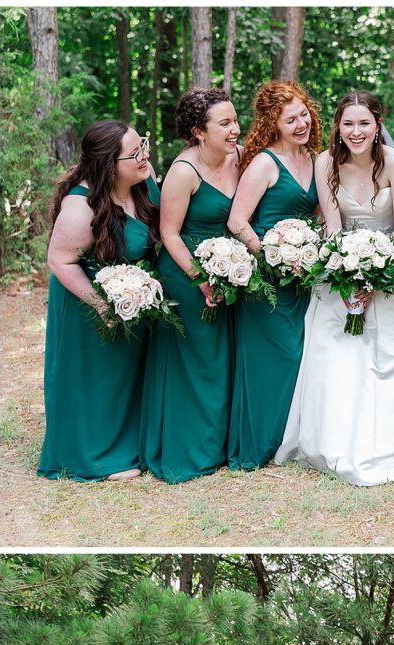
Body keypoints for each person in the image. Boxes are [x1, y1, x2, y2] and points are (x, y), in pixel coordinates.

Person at [277, 91, 394, 485]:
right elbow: (332, 226)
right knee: (337, 355)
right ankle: (331, 437)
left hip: (388, 271)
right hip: (340, 269)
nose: (356, 132)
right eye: (348, 124)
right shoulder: (325, 162)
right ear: (338, 126)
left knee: (387, 355)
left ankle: (387, 439)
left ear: (378, 124)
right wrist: (346, 276)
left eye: (364, 123)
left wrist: (378, 278)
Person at [38, 120, 159, 482]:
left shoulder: (142, 178)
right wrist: (103, 305)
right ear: (109, 164)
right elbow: (59, 260)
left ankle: (131, 441)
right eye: (135, 152)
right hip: (88, 303)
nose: (145, 156)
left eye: (144, 145)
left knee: (125, 375)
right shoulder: (81, 208)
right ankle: (95, 455)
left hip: (132, 298)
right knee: (96, 377)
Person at [140, 87, 241, 481]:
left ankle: (218, 445)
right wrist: (201, 278)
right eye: (225, 123)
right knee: (196, 361)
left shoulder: (238, 156)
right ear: (199, 132)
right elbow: (169, 234)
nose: (235, 128)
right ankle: (188, 450)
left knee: (221, 360)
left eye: (234, 120)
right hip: (187, 272)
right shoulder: (184, 171)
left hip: (230, 270)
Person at [226, 80, 322, 469]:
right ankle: (261, 442)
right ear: (273, 124)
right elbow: (237, 221)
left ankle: (290, 440)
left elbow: (316, 215)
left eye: (303, 114)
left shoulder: (316, 159)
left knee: (301, 357)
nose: (300, 124)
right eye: (290, 119)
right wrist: (272, 253)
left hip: (303, 277)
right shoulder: (265, 163)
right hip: (269, 281)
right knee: (277, 358)